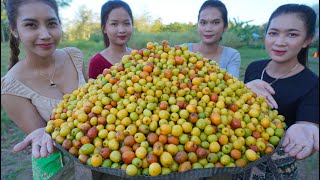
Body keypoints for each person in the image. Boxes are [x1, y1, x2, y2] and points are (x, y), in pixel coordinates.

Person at [1, 0, 88, 179]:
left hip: (101, 156)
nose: (45, 34)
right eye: (31, 25)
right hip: (58, 165)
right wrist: (44, 133)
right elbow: (45, 139)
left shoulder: (75, 56)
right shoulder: (10, 87)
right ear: (14, 29)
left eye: (51, 23)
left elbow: (94, 101)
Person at [235, 4, 319, 179]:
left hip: (277, 171)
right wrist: (241, 91)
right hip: (241, 159)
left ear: (307, 40)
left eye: (292, 34)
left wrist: (305, 128)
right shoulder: (254, 68)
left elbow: (306, 128)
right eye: (273, 33)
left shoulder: (312, 84)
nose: (279, 41)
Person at [184, 0, 241, 78]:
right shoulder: (183, 50)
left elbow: (233, 85)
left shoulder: (231, 56)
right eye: (203, 22)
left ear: (225, 26)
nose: (208, 29)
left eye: (215, 22)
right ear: (198, 25)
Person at [88, 0, 133, 79]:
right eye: (114, 24)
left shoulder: (139, 56)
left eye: (126, 23)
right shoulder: (97, 63)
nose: (121, 30)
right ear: (104, 28)